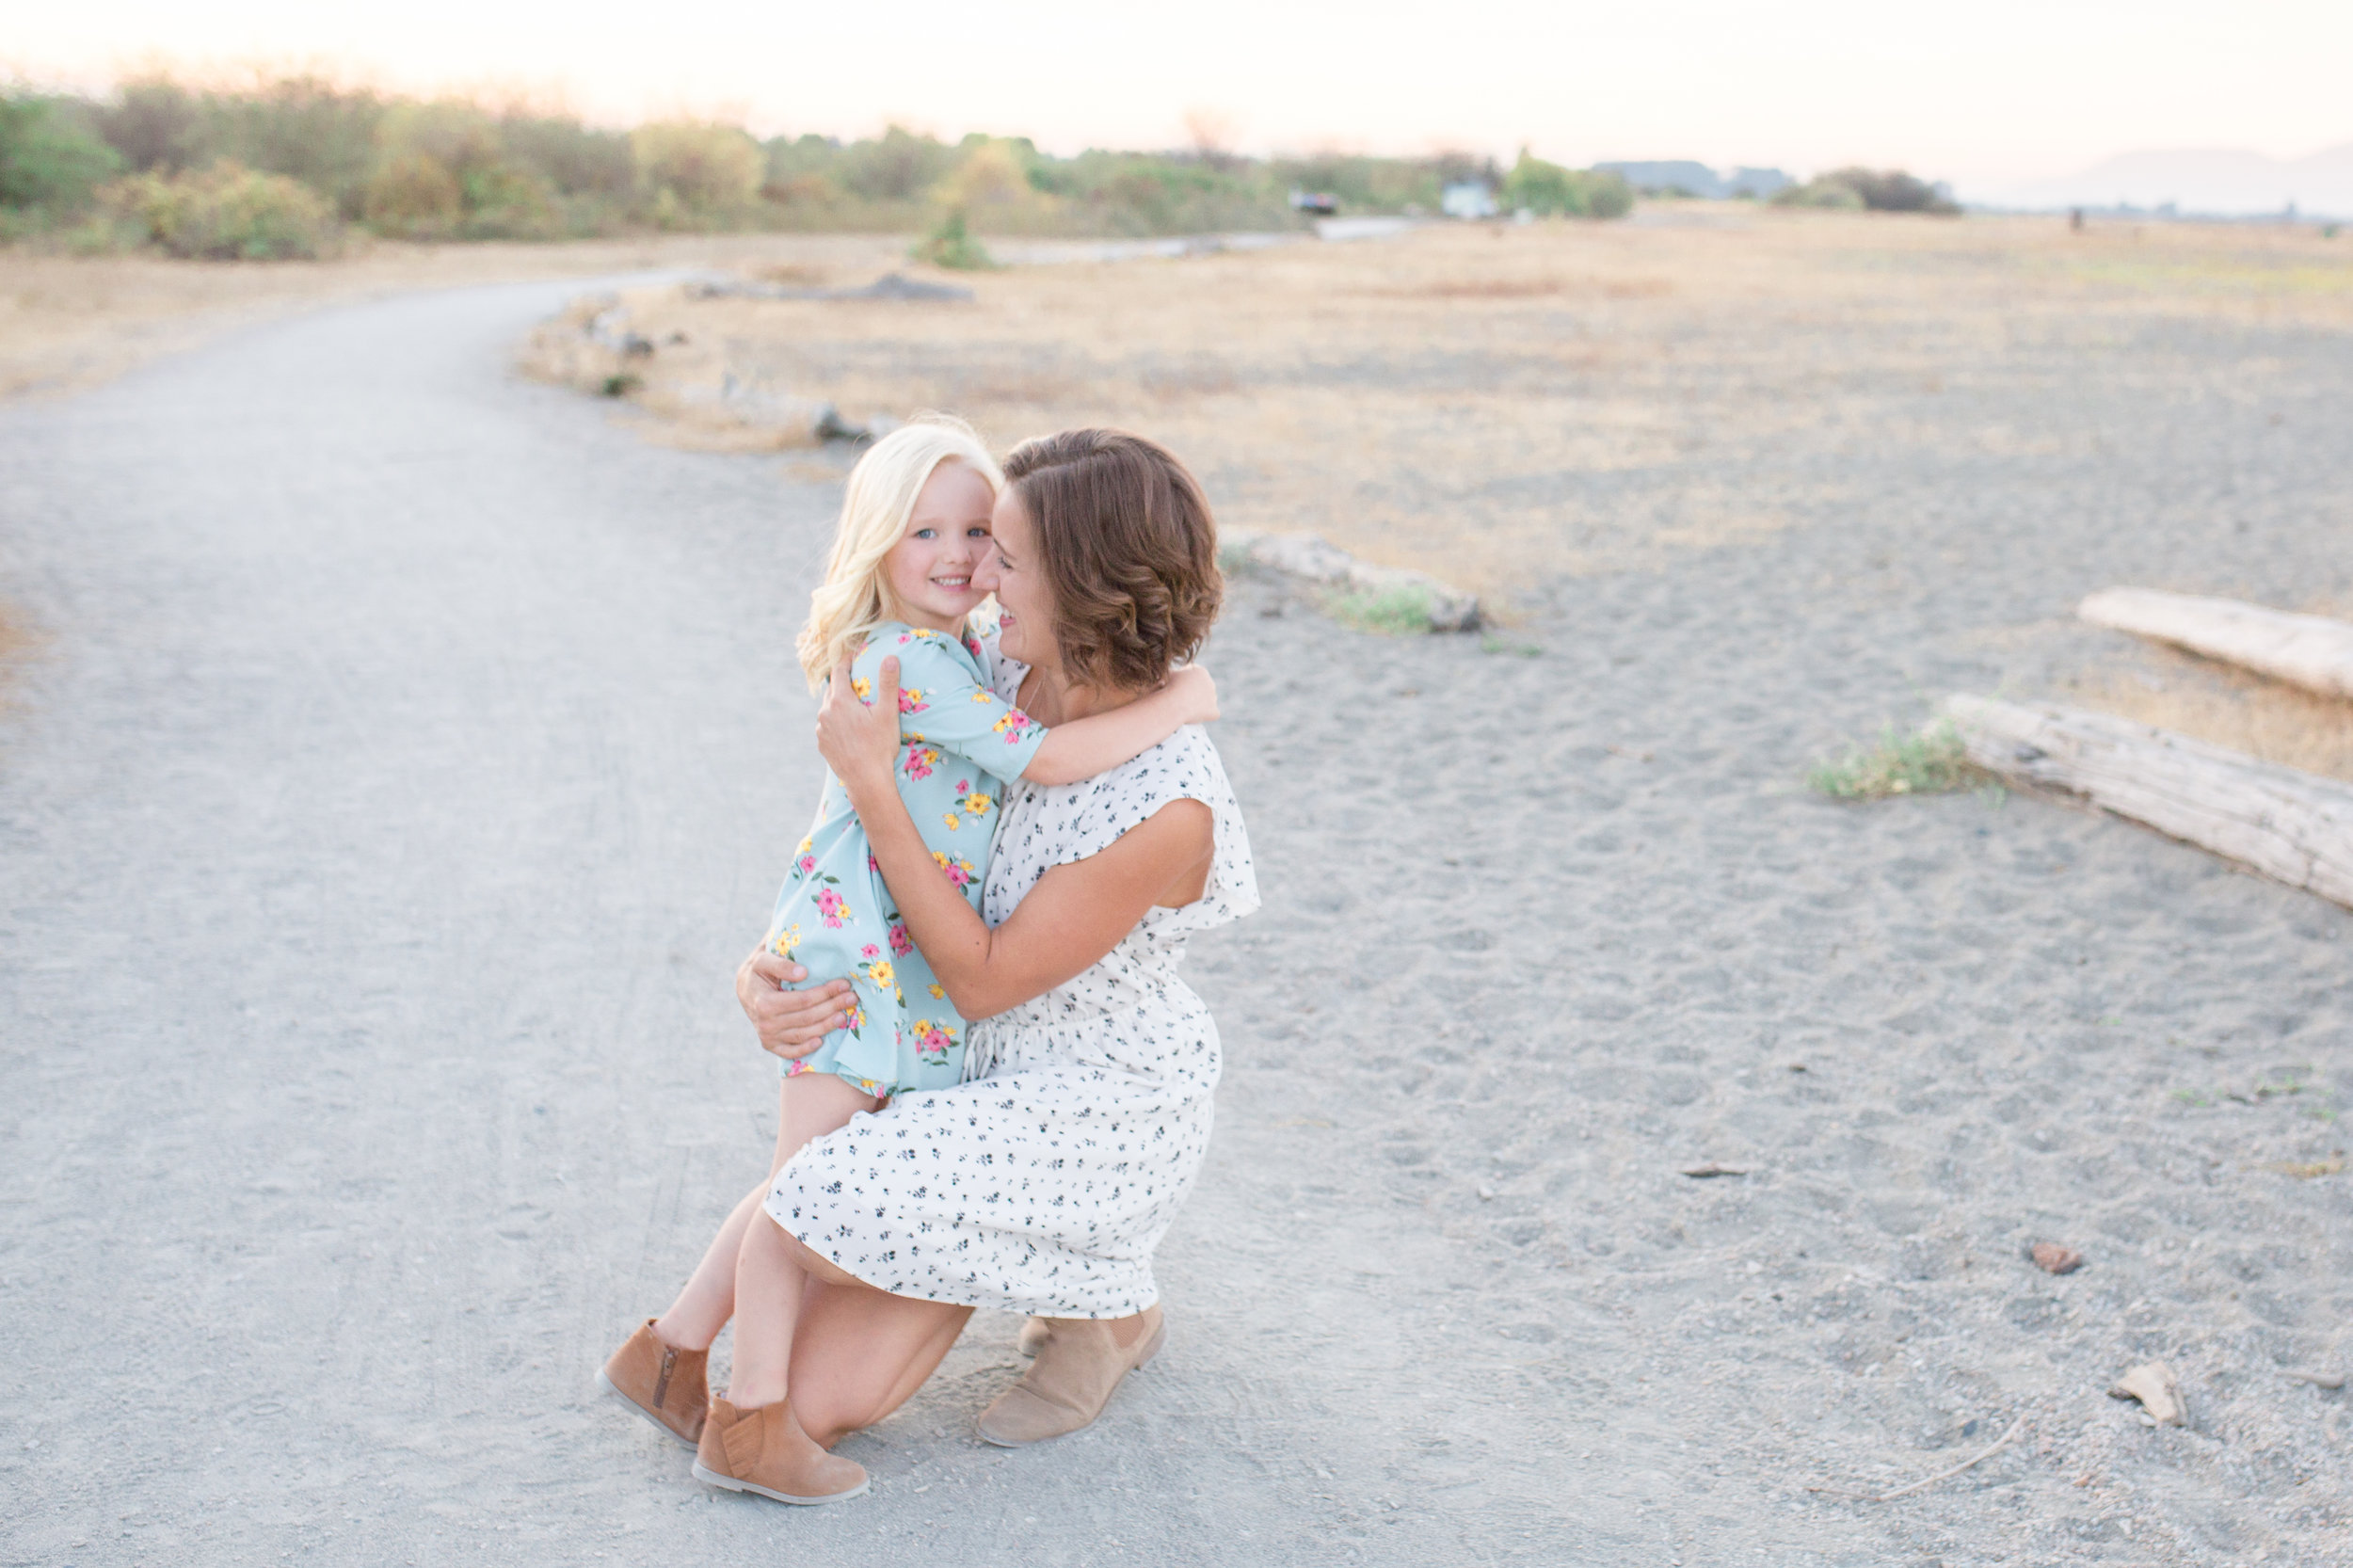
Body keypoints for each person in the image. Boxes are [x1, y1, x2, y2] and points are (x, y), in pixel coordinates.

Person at [595, 420, 1215, 1469]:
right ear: (879, 541)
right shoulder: (941, 660)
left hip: (1069, 1079)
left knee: (811, 1201)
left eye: (994, 545)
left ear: (1077, 579)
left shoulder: (1153, 784)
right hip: (888, 988)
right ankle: (717, 1385)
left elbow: (965, 933)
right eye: (939, 534)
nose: (974, 564)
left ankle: (1093, 1305)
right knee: (809, 1193)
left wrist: (1176, 713)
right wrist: (767, 969)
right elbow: (868, 829)